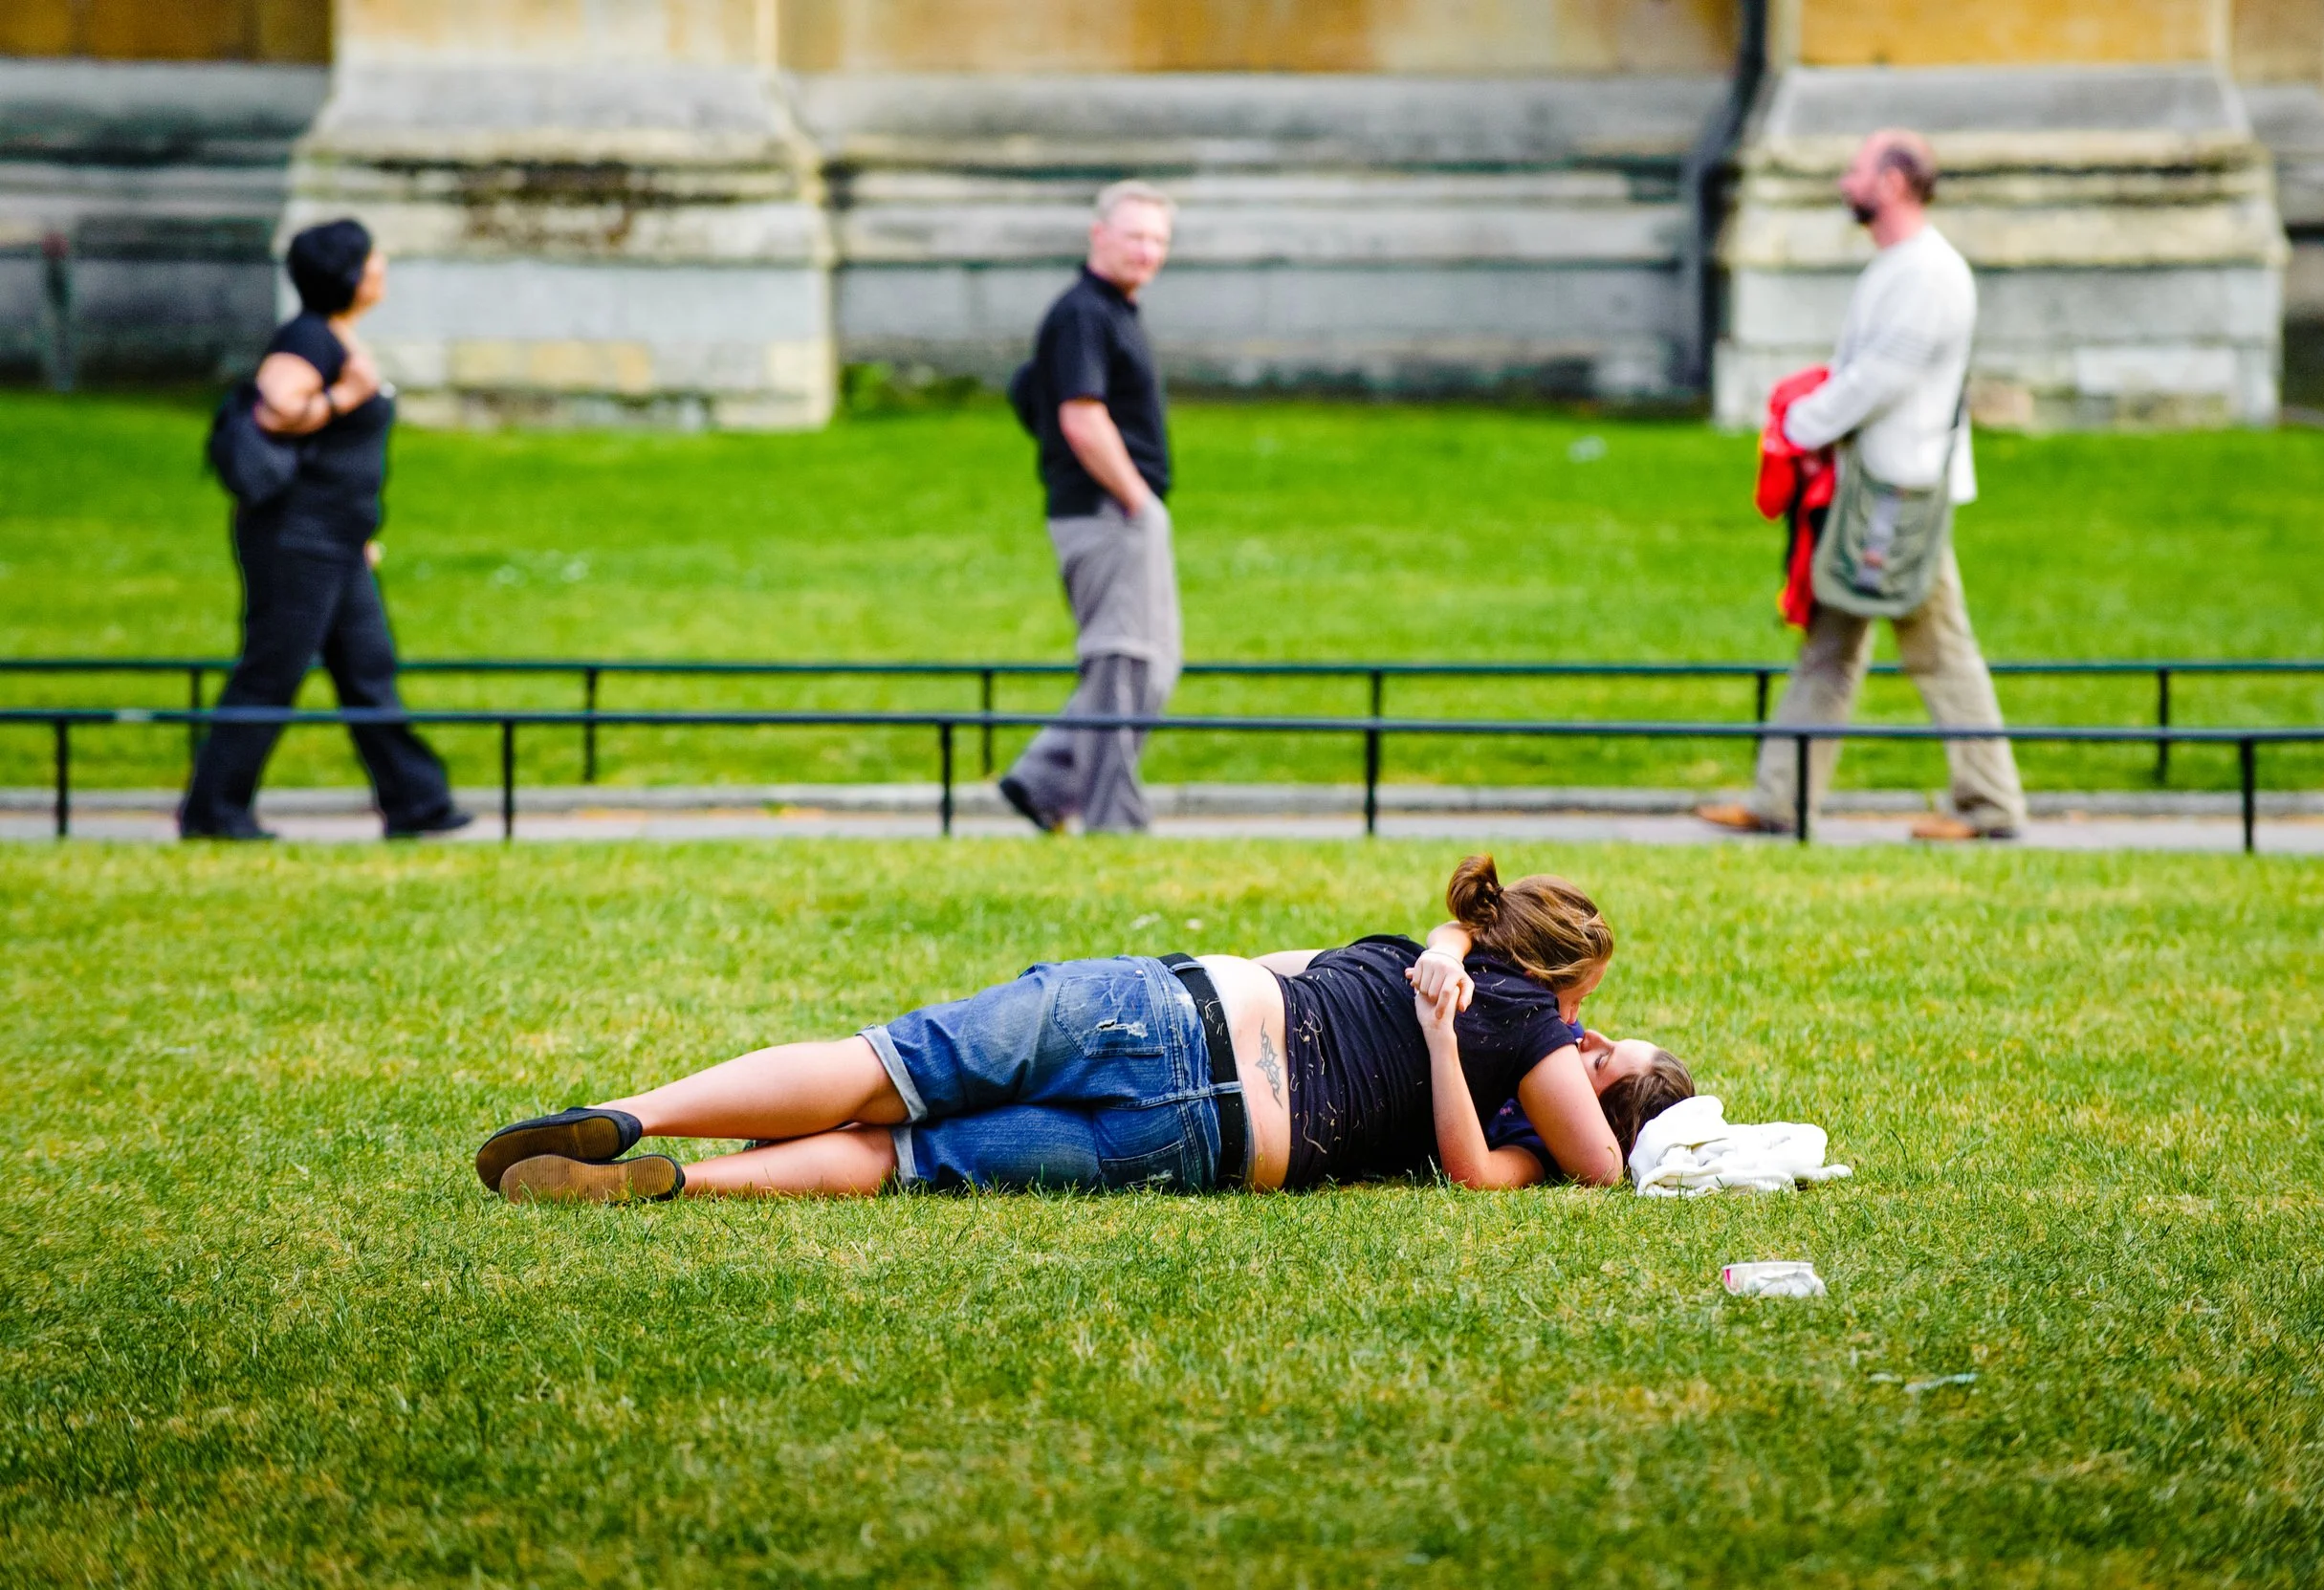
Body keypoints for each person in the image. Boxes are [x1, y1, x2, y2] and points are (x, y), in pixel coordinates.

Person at [471, 856, 1694, 1202]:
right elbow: (1566, 1162)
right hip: (1211, 1131)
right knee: (912, 1153)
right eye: (1598, 1025)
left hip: (1164, 1004)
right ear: (1560, 976)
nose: (1586, 1044)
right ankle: (668, 1171)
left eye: (1605, 1056)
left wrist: (1438, 987)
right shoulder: (1510, 1017)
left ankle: (649, 1121)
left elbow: (1588, 1163)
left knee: (887, 1069)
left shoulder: (1481, 998)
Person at [1699, 129, 2027, 843]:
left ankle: (1990, 802)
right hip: (1873, 489)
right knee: (1830, 644)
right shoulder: (1900, 267)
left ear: (1895, 182)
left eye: (1858, 168)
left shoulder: (1930, 274)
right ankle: (1781, 798)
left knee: (1938, 647)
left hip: (1898, 496)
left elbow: (1883, 378)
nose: (1847, 179)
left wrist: (1799, 425)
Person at [180, 218, 469, 841]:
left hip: (335, 540)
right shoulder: (308, 338)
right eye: (372, 257)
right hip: (296, 539)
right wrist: (345, 397)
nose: (382, 265)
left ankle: (418, 801)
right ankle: (214, 811)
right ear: (347, 273)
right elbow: (280, 404)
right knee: (271, 670)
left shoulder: (332, 334)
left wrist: (357, 528)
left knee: (368, 667)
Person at [998, 180, 1182, 835]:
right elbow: (1079, 415)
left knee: (1149, 662)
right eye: (1134, 235)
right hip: (1110, 511)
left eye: (1158, 239)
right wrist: (1134, 497)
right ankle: (1114, 820)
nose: (1147, 251)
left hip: (1115, 508)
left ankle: (1044, 778)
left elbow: (1029, 395)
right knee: (1124, 665)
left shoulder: (1110, 312)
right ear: (1098, 235)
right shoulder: (1084, 312)